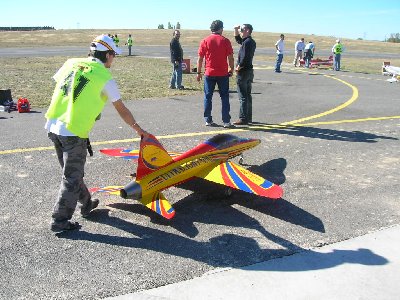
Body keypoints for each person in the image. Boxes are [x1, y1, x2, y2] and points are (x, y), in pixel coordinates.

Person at [45, 34, 149, 232]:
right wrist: (138, 129)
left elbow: (62, 87)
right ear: (108, 55)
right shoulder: (104, 77)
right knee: (71, 177)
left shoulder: (71, 63)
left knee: (72, 173)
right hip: (73, 131)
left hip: (53, 124)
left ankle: (87, 203)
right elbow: (122, 109)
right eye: (114, 55)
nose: (114, 59)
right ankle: (59, 220)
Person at [196, 20, 234, 128]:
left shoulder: (205, 40)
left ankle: (208, 119)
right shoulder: (225, 41)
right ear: (221, 28)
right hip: (222, 73)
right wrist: (231, 69)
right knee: (224, 97)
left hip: (209, 73)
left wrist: (198, 72)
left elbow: (200, 58)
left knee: (208, 96)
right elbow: (230, 57)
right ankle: (226, 121)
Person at [232, 24, 256, 126]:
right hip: (249, 71)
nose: (241, 31)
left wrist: (239, 67)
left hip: (244, 71)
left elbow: (245, 57)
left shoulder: (247, 42)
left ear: (247, 30)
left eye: (242, 29)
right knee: (247, 95)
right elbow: (238, 39)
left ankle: (243, 118)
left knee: (243, 96)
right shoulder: (249, 41)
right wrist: (236, 30)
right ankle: (248, 117)